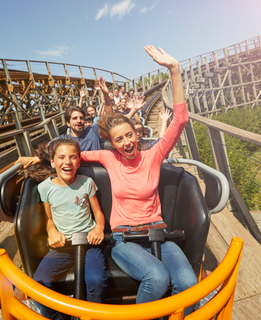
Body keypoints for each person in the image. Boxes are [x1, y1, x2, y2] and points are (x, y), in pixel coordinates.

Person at [81, 45, 198, 315]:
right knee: (157, 278)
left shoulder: (153, 155)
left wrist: (174, 70)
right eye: (119, 139)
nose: (126, 142)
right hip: (124, 239)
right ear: (112, 144)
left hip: (158, 232)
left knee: (189, 283)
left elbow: (179, 120)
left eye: (129, 136)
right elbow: (74, 156)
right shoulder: (109, 158)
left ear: (137, 134)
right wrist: (41, 159)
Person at [30, 138, 107, 320]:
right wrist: (52, 232)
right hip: (64, 245)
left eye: (73, 157)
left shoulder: (86, 183)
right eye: (61, 157)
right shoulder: (45, 188)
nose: (67, 162)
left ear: (79, 162)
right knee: (39, 285)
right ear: (52, 162)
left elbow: (98, 212)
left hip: (89, 242)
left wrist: (99, 228)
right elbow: (49, 218)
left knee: (96, 281)